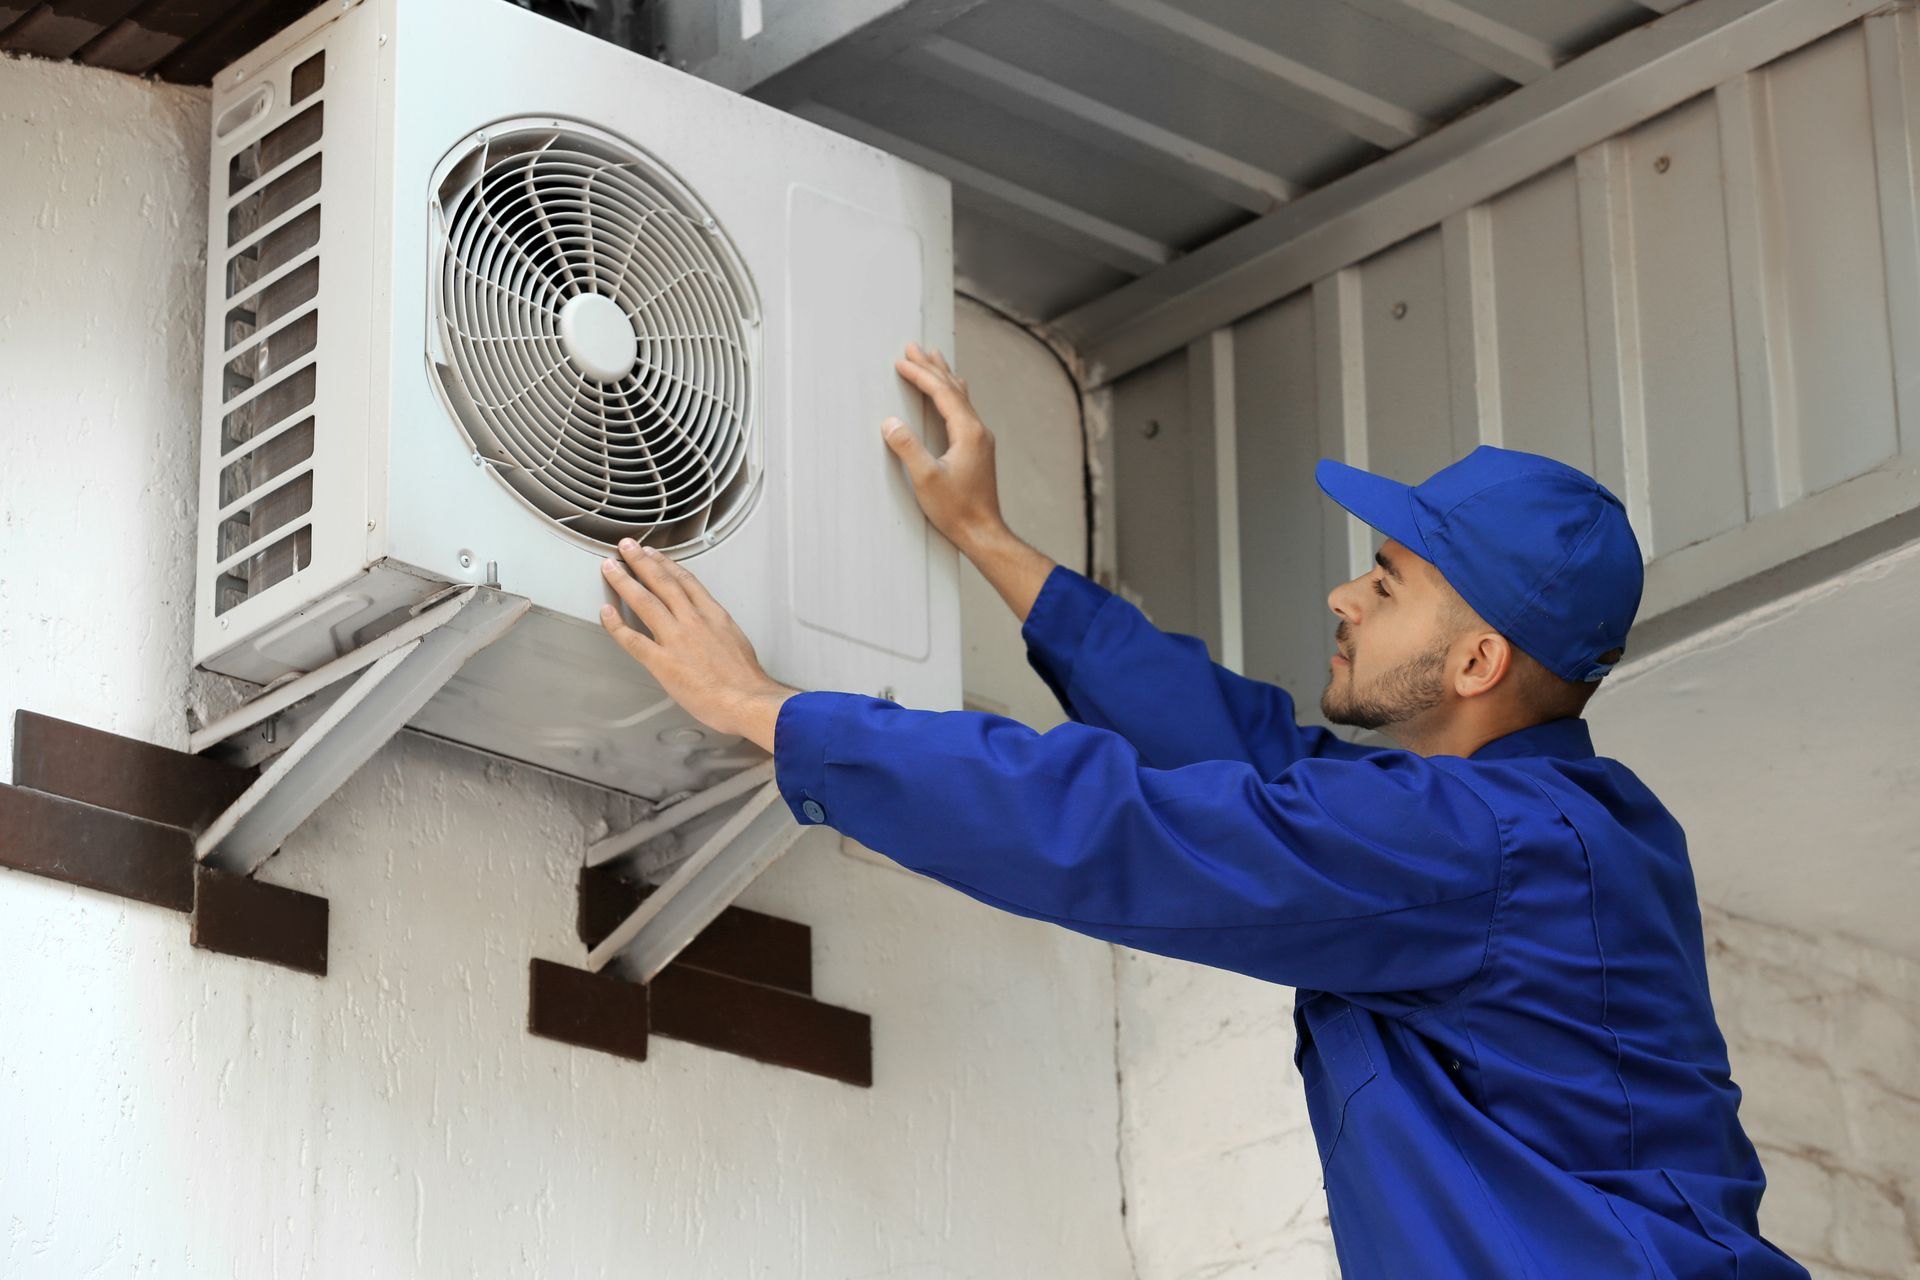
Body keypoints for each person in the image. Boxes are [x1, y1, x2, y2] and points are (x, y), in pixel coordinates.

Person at [595, 344, 1806, 1280]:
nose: (1344, 594)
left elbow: (1121, 830)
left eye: (1385, 583)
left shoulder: (1488, 847)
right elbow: (1250, 753)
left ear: (1479, 659)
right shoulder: (1535, 825)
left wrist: (771, 710)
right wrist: (989, 539)